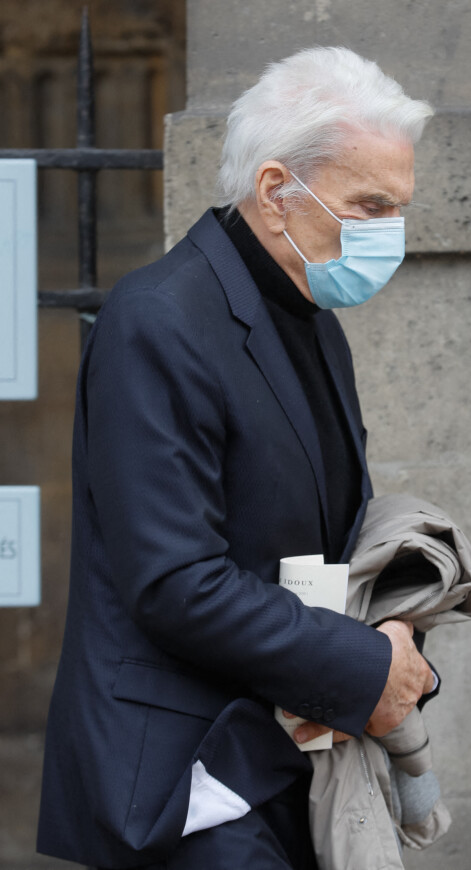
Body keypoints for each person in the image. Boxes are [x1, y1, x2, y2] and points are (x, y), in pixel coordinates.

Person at [37, 46, 436, 870]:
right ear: (276, 191)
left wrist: (393, 631)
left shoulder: (309, 311)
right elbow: (175, 583)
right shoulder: (160, 319)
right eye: (368, 205)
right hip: (190, 781)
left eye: (397, 208)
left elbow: (324, 537)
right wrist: (365, 666)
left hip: (287, 746)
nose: (388, 234)